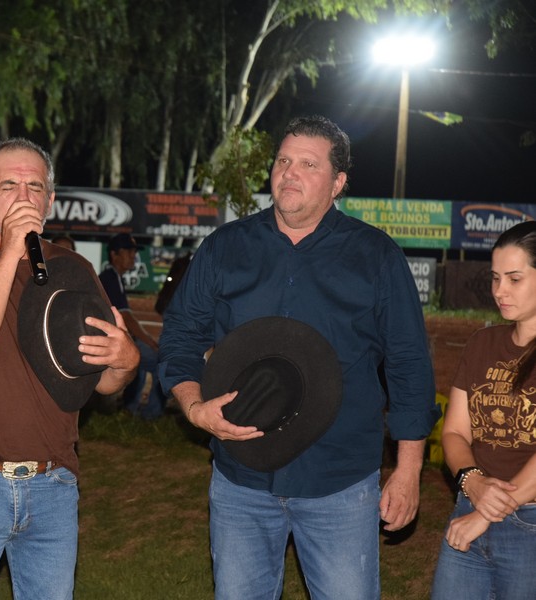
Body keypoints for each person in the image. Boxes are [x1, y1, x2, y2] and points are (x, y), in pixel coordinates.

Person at [158, 114, 439, 599]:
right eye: (283, 161)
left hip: (339, 483)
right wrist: (194, 407)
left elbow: (409, 363)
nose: (289, 173)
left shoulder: (376, 257)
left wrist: (409, 469)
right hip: (240, 481)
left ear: (338, 182)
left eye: (308, 164)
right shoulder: (225, 248)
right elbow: (180, 336)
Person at [0, 138, 138, 600]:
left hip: (54, 484)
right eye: (9, 186)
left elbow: (103, 381)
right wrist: (9, 253)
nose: (24, 197)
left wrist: (126, 362)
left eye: (34, 187)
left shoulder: (74, 269)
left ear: (50, 201)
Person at [430, 220, 536, 600]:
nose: (499, 291)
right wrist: (472, 483)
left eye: (514, 279)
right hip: (470, 505)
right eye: (495, 278)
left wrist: (485, 514)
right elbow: (455, 432)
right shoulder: (481, 343)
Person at [98, 233, 168, 420]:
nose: (133, 256)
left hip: (109, 339)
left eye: (134, 252)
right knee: (161, 362)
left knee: (141, 361)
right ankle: (151, 414)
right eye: (128, 251)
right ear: (114, 254)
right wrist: (150, 341)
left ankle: (132, 409)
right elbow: (126, 318)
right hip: (109, 342)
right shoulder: (111, 278)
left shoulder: (112, 277)